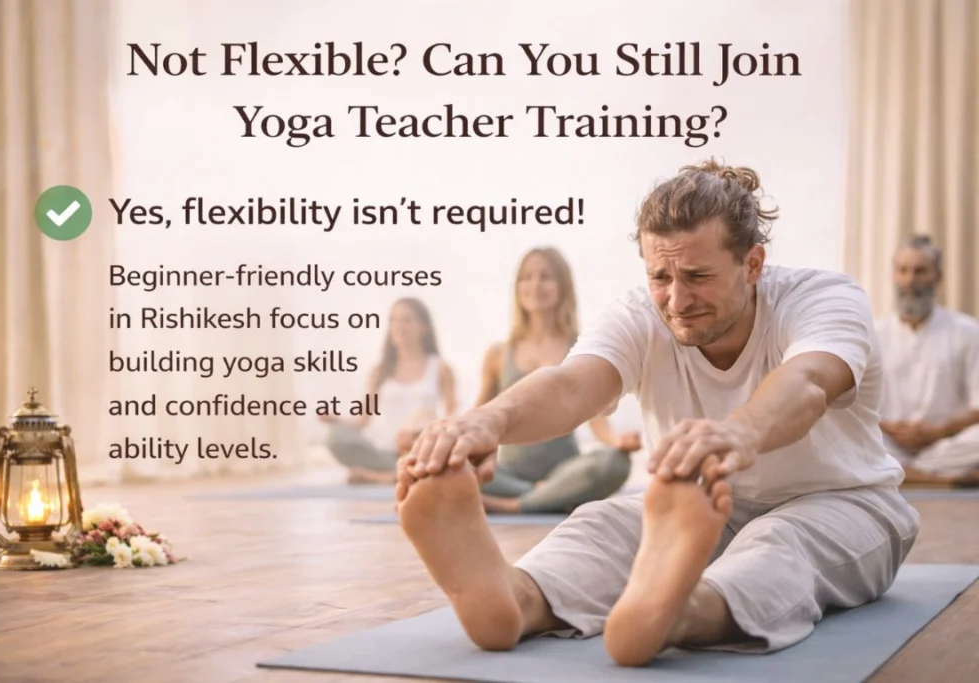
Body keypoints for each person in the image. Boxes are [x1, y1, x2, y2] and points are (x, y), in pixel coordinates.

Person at [392, 160, 919, 667]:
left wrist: (739, 435)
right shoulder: (638, 314)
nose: (676, 299)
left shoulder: (823, 297)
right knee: (603, 523)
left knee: (778, 543)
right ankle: (516, 599)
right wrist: (488, 421)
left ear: (752, 264)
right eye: (660, 276)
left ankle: (677, 614)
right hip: (698, 502)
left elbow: (807, 382)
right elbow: (575, 386)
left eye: (697, 275)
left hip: (842, 503)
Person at [476, 247, 641, 514]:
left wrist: (616, 441)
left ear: (563, 286)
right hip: (509, 475)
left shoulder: (582, 348)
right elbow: (479, 416)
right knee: (452, 467)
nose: (535, 285)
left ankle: (517, 505)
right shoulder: (498, 354)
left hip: (564, 469)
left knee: (614, 462)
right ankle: (546, 497)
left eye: (546, 277)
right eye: (526, 277)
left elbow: (597, 419)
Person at [875, 235, 979, 486]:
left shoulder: (967, 330)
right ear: (894, 276)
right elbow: (855, 404)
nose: (911, 280)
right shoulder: (873, 333)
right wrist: (890, 429)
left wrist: (936, 433)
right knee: (838, 430)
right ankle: (939, 478)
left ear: (938, 277)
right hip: (888, 441)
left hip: (945, 442)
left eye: (920, 271)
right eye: (904, 271)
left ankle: (900, 474)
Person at [321, 297, 457, 484]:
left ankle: (380, 476)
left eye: (407, 320)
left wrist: (424, 432)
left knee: (445, 454)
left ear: (423, 327)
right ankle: (402, 473)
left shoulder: (440, 368)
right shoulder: (379, 372)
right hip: (385, 453)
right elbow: (362, 420)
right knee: (336, 437)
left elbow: (452, 416)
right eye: (393, 320)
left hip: (422, 448)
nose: (399, 326)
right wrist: (335, 419)